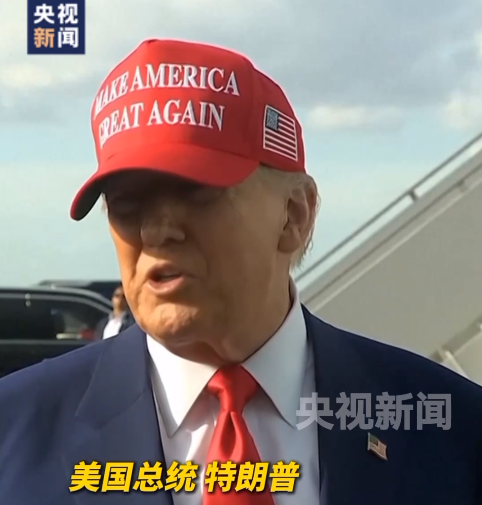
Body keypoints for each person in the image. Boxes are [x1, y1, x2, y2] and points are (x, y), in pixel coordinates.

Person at [1, 39, 482, 505]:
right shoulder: (15, 435)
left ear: (294, 214)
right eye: (126, 204)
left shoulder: (456, 429)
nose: (156, 230)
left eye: (195, 192)